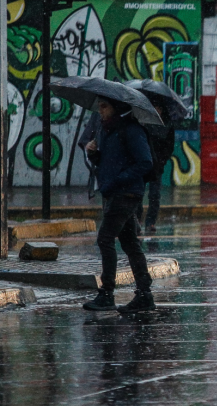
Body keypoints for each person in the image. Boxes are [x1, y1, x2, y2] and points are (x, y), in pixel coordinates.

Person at [82, 96, 157, 313]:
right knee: (130, 243)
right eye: (99, 107)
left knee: (105, 239)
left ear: (116, 107)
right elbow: (108, 163)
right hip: (115, 192)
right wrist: (93, 154)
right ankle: (144, 294)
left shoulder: (132, 130)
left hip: (126, 194)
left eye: (104, 106)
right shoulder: (107, 130)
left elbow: (145, 162)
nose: (101, 111)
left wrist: (118, 180)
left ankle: (107, 293)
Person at [136, 96, 176, 233]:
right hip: (143, 163)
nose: (157, 110)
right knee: (139, 193)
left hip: (157, 165)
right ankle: (138, 220)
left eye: (159, 108)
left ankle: (150, 222)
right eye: (154, 107)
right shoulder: (144, 122)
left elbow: (169, 145)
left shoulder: (167, 124)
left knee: (154, 195)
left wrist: (162, 160)